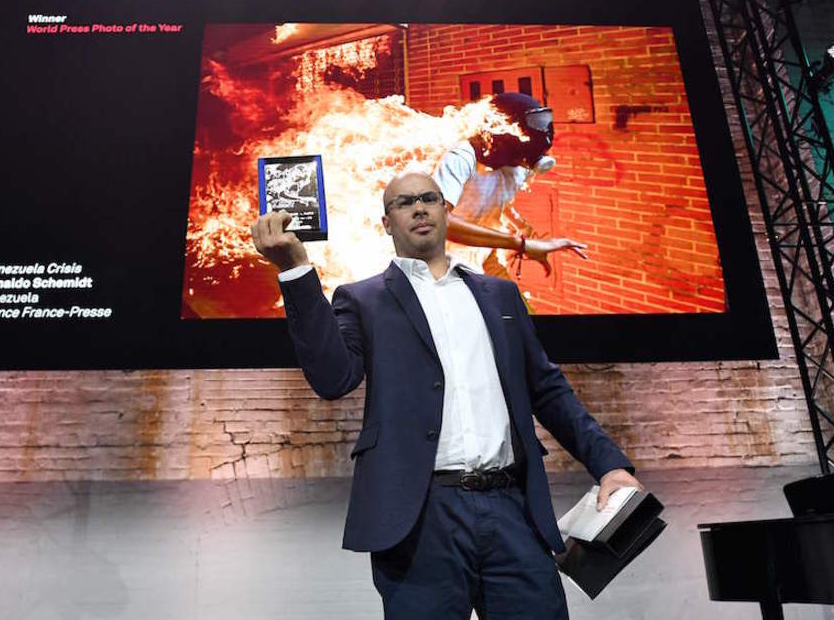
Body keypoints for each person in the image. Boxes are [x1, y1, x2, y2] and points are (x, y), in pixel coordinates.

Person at [251, 170, 640, 620]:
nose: (419, 207)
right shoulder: (363, 300)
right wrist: (295, 270)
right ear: (386, 223)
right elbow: (333, 379)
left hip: (512, 509)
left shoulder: (500, 295)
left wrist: (609, 464)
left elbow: (547, 389)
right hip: (420, 518)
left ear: (446, 211)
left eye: (429, 198)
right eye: (404, 203)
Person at [436, 92, 588, 279]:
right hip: (443, 263)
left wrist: (521, 227)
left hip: (483, 254)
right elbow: (440, 222)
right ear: (503, 141)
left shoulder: (520, 166)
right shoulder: (461, 159)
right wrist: (521, 244)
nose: (525, 165)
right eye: (522, 158)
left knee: (515, 306)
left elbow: (498, 198)